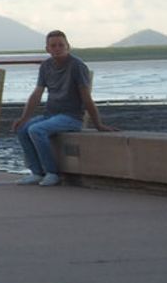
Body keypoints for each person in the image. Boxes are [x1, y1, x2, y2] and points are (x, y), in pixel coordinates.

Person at [13, 29, 116, 186]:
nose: (57, 48)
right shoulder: (45, 66)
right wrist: (24, 118)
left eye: (61, 45)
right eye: (53, 45)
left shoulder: (77, 66)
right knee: (23, 129)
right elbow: (36, 94)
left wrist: (98, 124)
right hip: (50, 114)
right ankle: (36, 173)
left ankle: (52, 173)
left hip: (71, 117)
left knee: (36, 130)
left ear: (68, 46)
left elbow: (86, 97)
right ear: (47, 49)